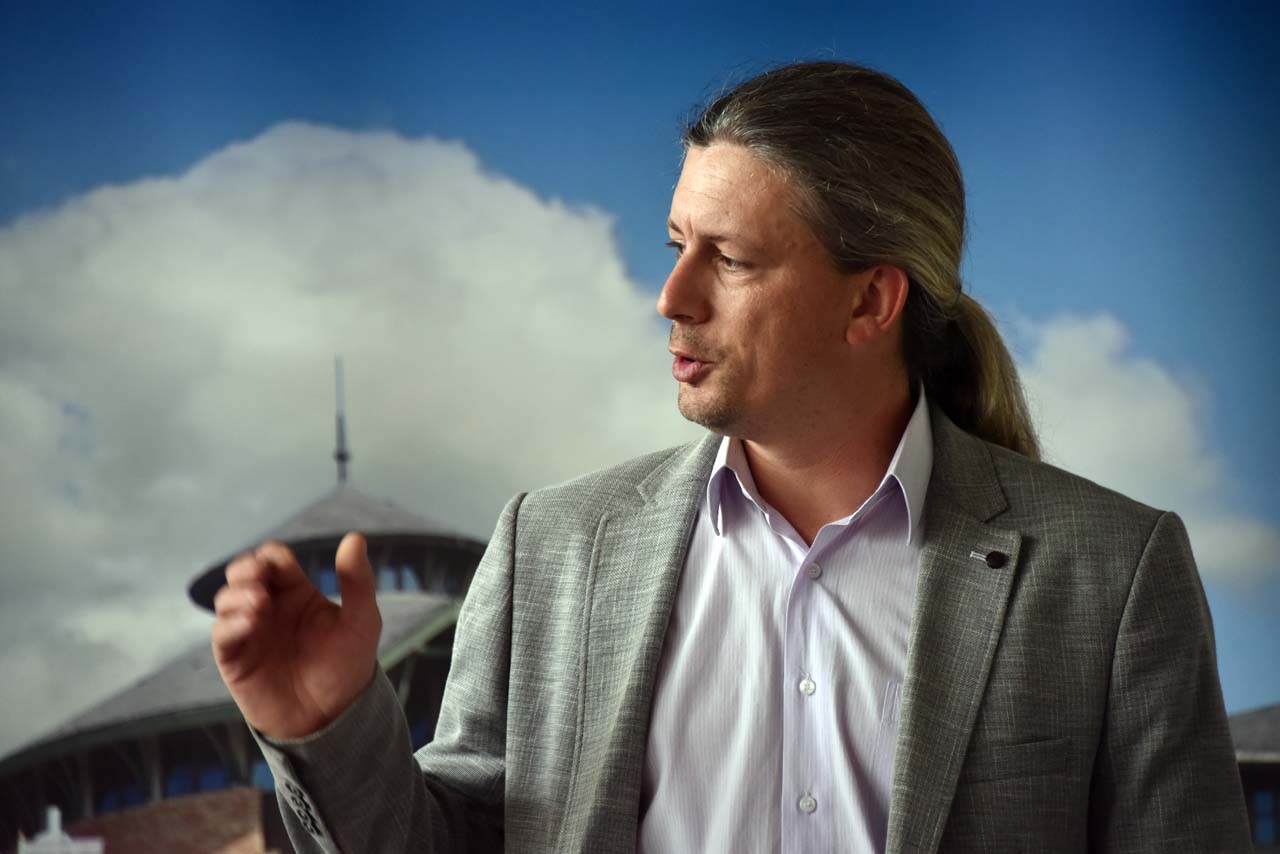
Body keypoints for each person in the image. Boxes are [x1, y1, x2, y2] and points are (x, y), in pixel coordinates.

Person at [211, 61, 1251, 853]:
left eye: (732, 259)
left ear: (870, 300)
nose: (672, 297)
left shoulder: (1112, 573)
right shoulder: (551, 547)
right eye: (677, 245)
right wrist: (327, 725)